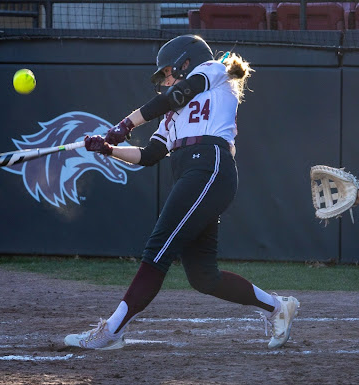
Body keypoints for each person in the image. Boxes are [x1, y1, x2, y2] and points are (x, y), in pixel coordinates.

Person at [64, 35, 300, 350]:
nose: (166, 80)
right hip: (193, 174)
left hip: (210, 166)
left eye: (168, 72)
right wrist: (109, 149)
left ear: (185, 62)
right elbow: (149, 155)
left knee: (158, 248)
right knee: (203, 277)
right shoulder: (173, 113)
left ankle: (111, 331)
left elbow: (177, 94)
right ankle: (277, 307)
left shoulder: (213, 72)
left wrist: (126, 124)